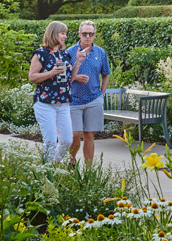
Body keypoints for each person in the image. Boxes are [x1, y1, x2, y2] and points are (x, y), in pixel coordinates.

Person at [28, 21, 87, 162]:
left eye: (65, 33)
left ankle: (54, 165)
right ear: (53, 33)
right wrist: (50, 73)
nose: (65, 36)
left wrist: (78, 62)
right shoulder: (40, 54)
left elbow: (70, 78)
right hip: (45, 103)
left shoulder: (64, 54)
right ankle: (47, 173)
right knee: (50, 141)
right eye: (62, 33)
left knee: (67, 140)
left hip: (63, 103)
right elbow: (32, 77)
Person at [66, 21, 111, 166]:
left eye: (90, 34)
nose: (87, 37)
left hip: (93, 99)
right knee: (75, 134)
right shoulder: (70, 52)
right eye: (84, 34)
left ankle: (89, 169)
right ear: (79, 34)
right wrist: (76, 77)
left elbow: (106, 74)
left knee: (89, 135)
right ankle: (71, 161)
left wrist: (102, 93)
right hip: (74, 99)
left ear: (94, 35)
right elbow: (63, 77)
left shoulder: (100, 52)